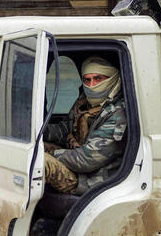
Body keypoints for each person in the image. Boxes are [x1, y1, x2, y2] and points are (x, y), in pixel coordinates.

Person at [43, 56, 127, 195]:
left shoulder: (117, 114)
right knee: (35, 147)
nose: (92, 85)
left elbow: (86, 160)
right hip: (77, 163)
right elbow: (65, 129)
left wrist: (50, 153)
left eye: (98, 79)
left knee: (40, 161)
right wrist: (38, 132)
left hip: (91, 180)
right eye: (87, 80)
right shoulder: (85, 103)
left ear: (111, 79)